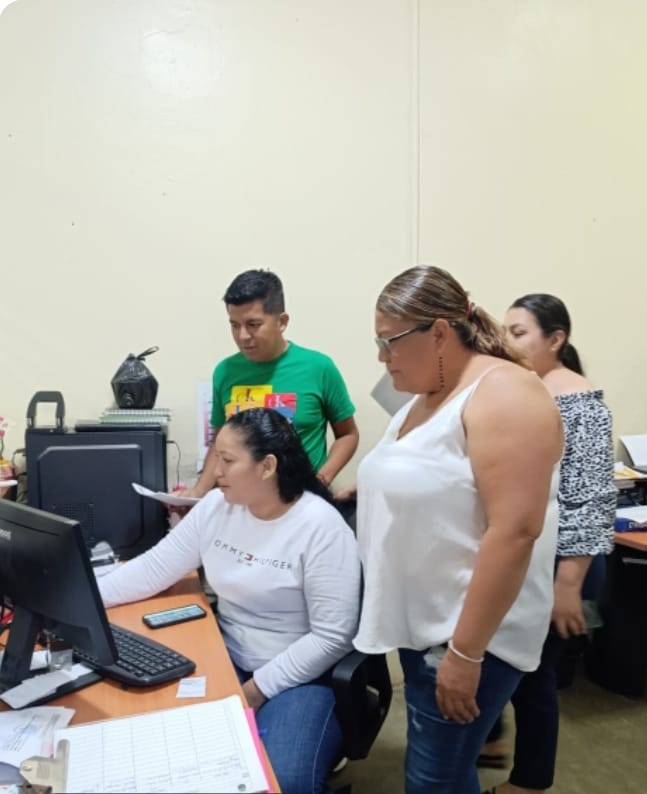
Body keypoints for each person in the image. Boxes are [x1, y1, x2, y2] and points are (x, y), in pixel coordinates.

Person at [352, 265, 564, 794]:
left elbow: (515, 531)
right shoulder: (430, 393)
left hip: (468, 634)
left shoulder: (505, 393)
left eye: (389, 342)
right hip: (427, 624)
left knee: (434, 781)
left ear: (440, 332)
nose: (382, 357)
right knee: (444, 773)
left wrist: (466, 654)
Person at [98, 407, 361, 794]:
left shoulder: (320, 527)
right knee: (169, 753)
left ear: (267, 466)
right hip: (227, 657)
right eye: (215, 457)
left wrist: (255, 690)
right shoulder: (217, 507)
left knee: (283, 781)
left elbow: (332, 636)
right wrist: (85, 597)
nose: (215, 471)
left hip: (300, 674)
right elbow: (154, 569)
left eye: (227, 460)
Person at [481, 293, 616, 794]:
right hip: (532, 552)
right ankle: (492, 739)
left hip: (566, 562)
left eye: (519, 333)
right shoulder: (525, 387)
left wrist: (568, 585)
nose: (507, 341)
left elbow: (590, 500)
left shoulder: (580, 404)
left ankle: (531, 782)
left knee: (533, 673)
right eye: (506, 331)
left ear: (555, 339)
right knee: (507, 656)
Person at [182, 269, 359, 498]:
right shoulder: (225, 371)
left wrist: (321, 480)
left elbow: (347, 434)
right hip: (242, 504)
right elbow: (219, 443)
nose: (243, 336)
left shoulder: (319, 368)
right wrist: (198, 492)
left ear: (282, 322)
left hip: (300, 502)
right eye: (234, 325)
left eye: (253, 324)